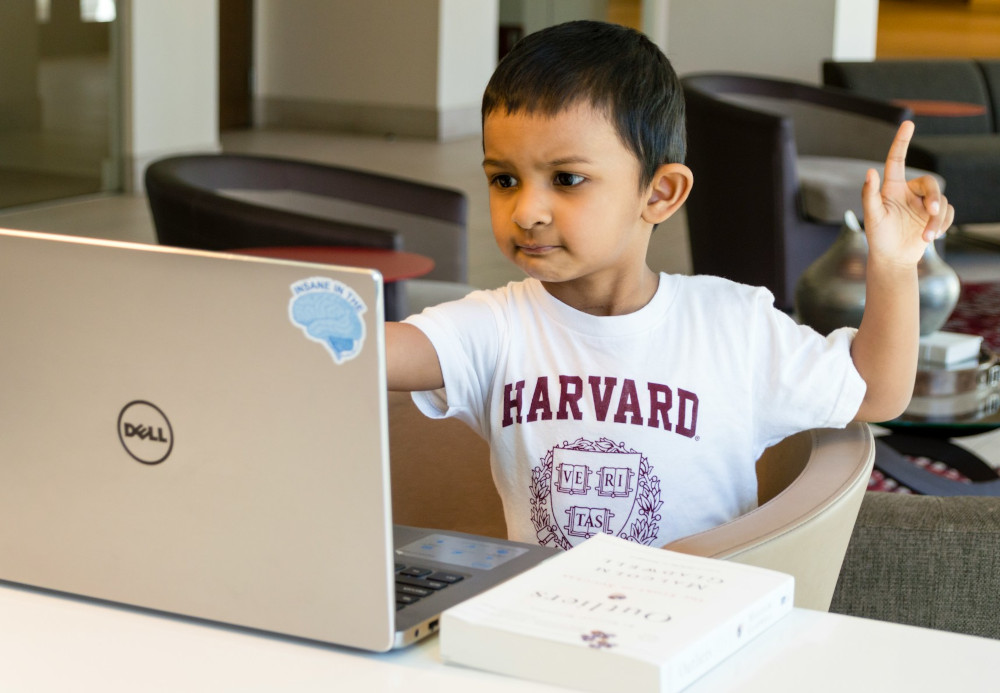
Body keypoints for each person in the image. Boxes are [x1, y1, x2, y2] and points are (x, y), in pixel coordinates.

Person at [385, 20, 953, 551]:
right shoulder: (494, 327)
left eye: (567, 179)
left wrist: (896, 266)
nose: (527, 210)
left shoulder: (733, 324)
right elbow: (372, 353)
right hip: (547, 630)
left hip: (699, 628)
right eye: (504, 179)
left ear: (659, 194)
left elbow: (877, 392)